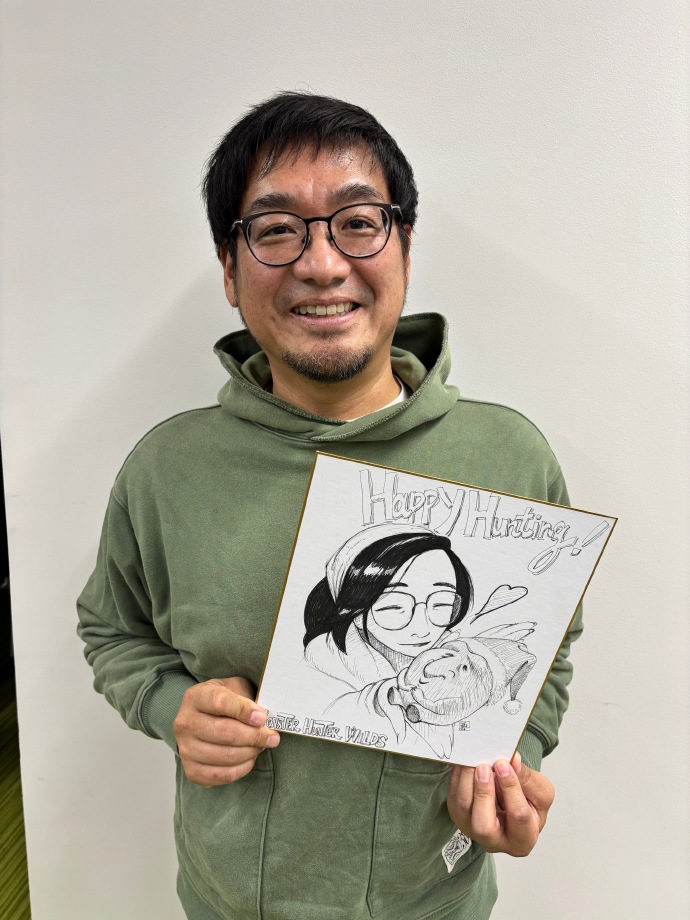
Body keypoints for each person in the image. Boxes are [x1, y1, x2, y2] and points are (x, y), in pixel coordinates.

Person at [77, 92, 582, 920]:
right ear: (230, 269)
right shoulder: (166, 470)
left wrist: (509, 765)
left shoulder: (510, 459)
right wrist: (174, 708)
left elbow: (547, 650)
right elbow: (112, 631)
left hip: (437, 903)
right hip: (228, 903)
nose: (320, 263)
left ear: (405, 246)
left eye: (357, 222)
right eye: (277, 230)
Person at [303, 523, 537, 760]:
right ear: (353, 608)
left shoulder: (455, 654)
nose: (421, 628)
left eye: (442, 603)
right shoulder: (323, 670)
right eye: (394, 606)